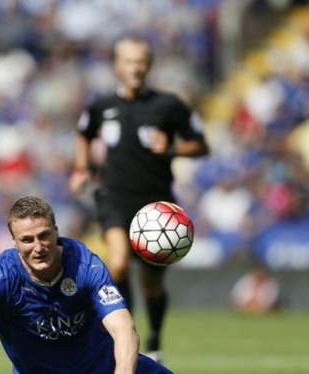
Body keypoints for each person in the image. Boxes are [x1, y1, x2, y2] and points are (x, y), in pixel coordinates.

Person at [0, 196, 173, 374]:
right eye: (27, 240)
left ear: (56, 231)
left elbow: (124, 329)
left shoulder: (86, 266)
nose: (38, 248)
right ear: (14, 242)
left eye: (44, 236)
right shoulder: (1, 278)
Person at [68, 36, 209, 361]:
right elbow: (83, 134)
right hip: (114, 197)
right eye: (129, 61)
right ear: (117, 65)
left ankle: (155, 340)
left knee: (151, 285)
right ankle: (127, 335)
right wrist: (81, 168)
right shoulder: (101, 106)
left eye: (141, 62)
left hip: (156, 205)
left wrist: (172, 148)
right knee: (116, 263)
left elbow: (201, 144)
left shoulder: (169, 105)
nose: (135, 68)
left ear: (149, 66)